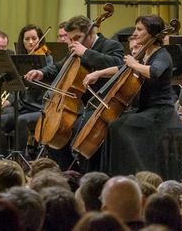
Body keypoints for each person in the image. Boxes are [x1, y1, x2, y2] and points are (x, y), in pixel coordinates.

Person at [85, 15, 182, 179]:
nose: (135, 32)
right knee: (112, 123)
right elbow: (123, 68)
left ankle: (129, 175)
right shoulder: (145, 53)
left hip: (161, 114)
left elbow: (154, 71)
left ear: (151, 32)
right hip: (146, 111)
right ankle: (111, 176)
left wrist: (134, 64)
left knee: (117, 127)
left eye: (139, 29)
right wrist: (99, 73)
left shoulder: (162, 54)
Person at [24, 15, 124, 169]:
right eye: (70, 39)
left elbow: (118, 65)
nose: (73, 42)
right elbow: (59, 66)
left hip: (104, 104)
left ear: (90, 33)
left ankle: (88, 172)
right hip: (80, 106)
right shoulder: (76, 49)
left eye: (77, 37)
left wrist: (86, 52)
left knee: (78, 128)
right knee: (51, 134)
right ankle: (71, 172)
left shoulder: (111, 45)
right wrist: (41, 72)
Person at [0, 24, 53, 155]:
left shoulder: (47, 59)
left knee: (21, 121)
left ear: (40, 39)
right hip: (22, 107)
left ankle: (19, 159)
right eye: (27, 39)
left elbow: (48, 80)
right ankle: (2, 158)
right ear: (22, 41)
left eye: (34, 38)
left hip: (39, 108)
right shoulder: (18, 59)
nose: (31, 42)